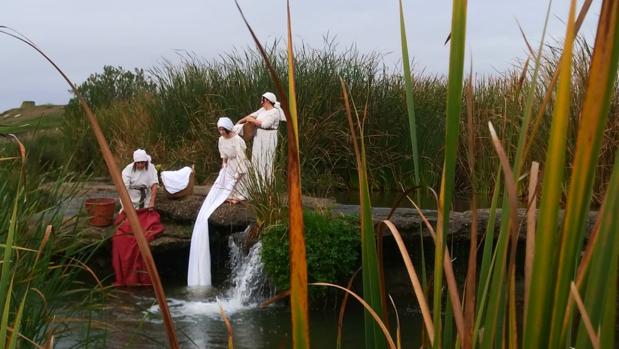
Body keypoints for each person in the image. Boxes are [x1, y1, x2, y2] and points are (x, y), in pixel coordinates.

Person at [187, 117, 249, 287]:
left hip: (239, 168)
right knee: (220, 186)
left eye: (223, 129)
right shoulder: (221, 140)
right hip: (229, 167)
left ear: (228, 129)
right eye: (219, 129)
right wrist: (224, 167)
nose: (221, 132)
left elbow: (242, 160)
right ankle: (227, 190)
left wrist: (236, 174)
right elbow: (224, 156)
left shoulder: (237, 140)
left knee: (235, 186)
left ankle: (238, 193)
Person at [112, 149, 164, 286]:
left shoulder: (151, 168)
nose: (141, 165)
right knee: (125, 234)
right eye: (139, 163)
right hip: (131, 203)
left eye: (143, 162)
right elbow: (123, 190)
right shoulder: (127, 171)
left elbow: (153, 186)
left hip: (145, 204)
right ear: (135, 162)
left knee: (148, 227)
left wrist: (151, 203)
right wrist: (128, 208)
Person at [236, 91, 286, 185]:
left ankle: (265, 186)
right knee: (256, 159)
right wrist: (240, 121)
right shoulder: (262, 110)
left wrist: (252, 120)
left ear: (267, 100)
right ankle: (256, 185)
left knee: (266, 160)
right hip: (259, 136)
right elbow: (252, 115)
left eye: (263, 99)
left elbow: (266, 124)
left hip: (269, 137)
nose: (261, 100)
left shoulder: (274, 112)